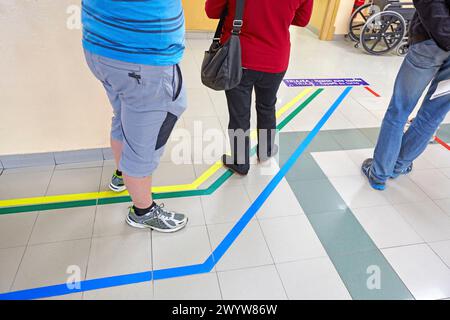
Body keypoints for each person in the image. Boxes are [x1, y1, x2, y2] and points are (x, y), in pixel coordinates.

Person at [82, 0, 189, 232]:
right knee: (147, 136)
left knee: (124, 113)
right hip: (141, 57)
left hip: (100, 45)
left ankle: (122, 173)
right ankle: (143, 211)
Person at [205, 0, 314, 175]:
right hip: (276, 59)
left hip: (238, 59)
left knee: (239, 114)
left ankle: (240, 162)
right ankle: (266, 151)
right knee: (267, 106)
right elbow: (302, 20)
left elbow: (212, 11)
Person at [362, 0, 450, 191]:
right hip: (438, 40)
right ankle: (398, 166)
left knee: (400, 110)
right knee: (431, 117)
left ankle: (380, 173)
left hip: (431, 41)